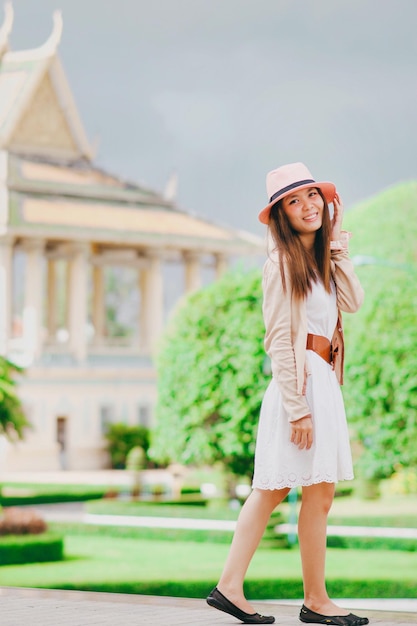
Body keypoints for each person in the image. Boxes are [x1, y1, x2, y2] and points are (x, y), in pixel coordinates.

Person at [206, 163, 368, 625]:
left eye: (312, 196)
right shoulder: (279, 263)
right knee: (272, 488)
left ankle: (313, 600)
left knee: (319, 496)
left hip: (322, 383)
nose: (307, 207)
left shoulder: (321, 260)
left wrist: (337, 249)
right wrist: (297, 408)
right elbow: (278, 339)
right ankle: (231, 587)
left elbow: (353, 302)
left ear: (324, 199)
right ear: (282, 214)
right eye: (294, 202)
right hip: (299, 388)